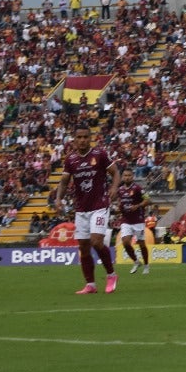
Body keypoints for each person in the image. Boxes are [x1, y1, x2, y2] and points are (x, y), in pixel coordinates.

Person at [53, 125, 121, 294]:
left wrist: (113, 188)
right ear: (74, 140)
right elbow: (63, 181)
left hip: (99, 206)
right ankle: (90, 284)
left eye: (85, 137)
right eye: (79, 137)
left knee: (96, 242)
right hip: (81, 209)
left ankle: (111, 274)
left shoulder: (100, 155)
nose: (82, 140)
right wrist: (58, 198)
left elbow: (116, 173)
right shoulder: (71, 159)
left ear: (90, 138)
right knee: (83, 247)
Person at [116, 168, 154, 274]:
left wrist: (138, 206)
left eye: (129, 175)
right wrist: (119, 208)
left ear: (132, 177)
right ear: (123, 177)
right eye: (125, 175)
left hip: (138, 220)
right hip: (126, 220)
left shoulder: (138, 188)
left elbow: (148, 200)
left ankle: (146, 265)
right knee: (125, 243)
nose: (127, 177)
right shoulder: (120, 190)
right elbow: (121, 203)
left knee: (141, 244)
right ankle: (136, 261)